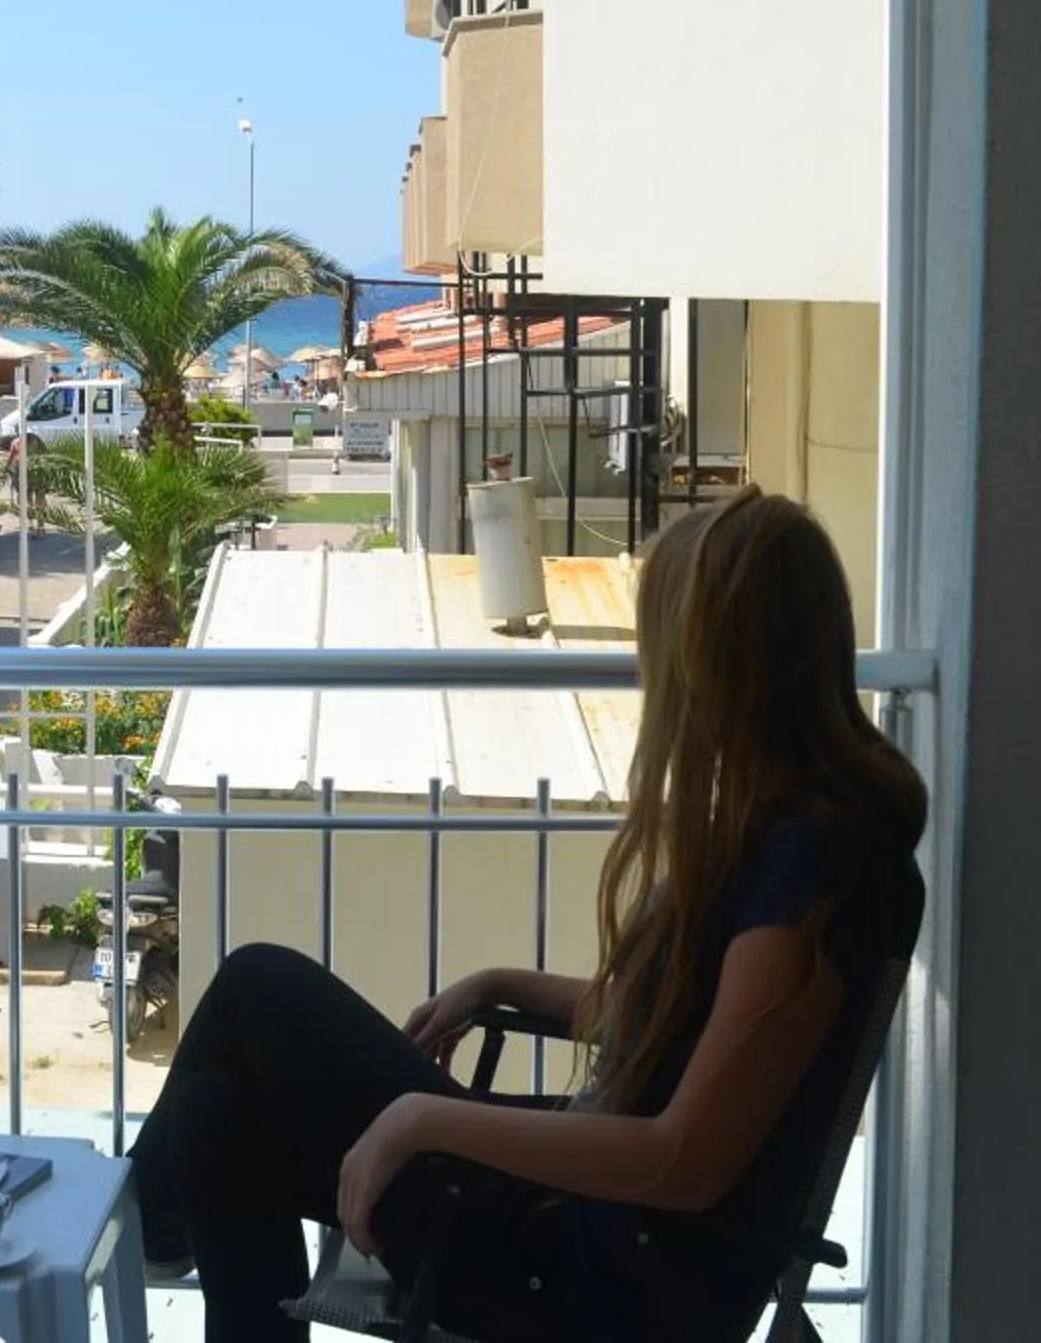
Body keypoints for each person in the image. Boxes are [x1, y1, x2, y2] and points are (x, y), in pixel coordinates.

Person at [127, 487, 926, 1343]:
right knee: (216, 1116)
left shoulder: (810, 877)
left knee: (256, 983)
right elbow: (683, 1032)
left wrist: (424, 1119)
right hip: (591, 1214)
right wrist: (500, 982)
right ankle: (147, 1221)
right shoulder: (801, 833)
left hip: (583, 1274)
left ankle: (137, 1221)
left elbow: (684, 1162)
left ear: (721, 666)